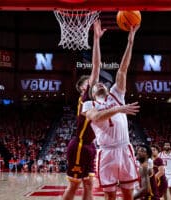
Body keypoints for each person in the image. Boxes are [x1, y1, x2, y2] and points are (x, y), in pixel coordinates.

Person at [83, 24, 140, 200]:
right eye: (96, 84)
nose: (99, 83)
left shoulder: (116, 94)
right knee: (110, 196)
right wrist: (119, 109)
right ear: (92, 91)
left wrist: (130, 42)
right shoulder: (88, 105)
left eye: (102, 83)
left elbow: (123, 69)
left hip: (124, 148)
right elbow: (97, 117)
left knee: (128, 194)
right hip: (106, 152)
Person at [62, 19, 105, 200]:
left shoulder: (97, 99)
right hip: (79, 145)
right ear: (82, 88)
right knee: (74, 185)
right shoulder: (85, 96)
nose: (92, 83)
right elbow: (96, 67)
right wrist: (96, 39)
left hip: (90, 146)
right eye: (88, 83)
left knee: (89, 184)